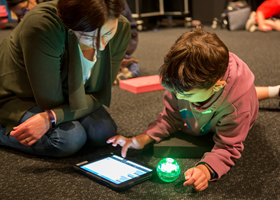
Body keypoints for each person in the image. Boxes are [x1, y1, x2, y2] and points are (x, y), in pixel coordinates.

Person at [107, 26, 259, 192]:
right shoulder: (180, 81)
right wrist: (142, 139)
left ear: (216, 87)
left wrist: (205, 170)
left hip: (236, 105)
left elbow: (228, 147)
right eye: (176, 92)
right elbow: (171, 117)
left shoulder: (238, 106)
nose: (179, 98)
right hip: (216, 103)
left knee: (249, 98)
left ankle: (270, 91)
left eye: (187, 95)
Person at [0, 0, 131, 157]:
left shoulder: (121, 28)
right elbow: (50, 101)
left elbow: (99, 94)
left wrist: (51, 118)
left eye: (107, 33)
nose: (101, 46)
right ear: (69, 26)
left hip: (69, 95)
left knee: (102, 132)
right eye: (88, 36)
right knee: (69, 139)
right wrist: (51, 116)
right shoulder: (42, 24)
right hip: (19, 95)